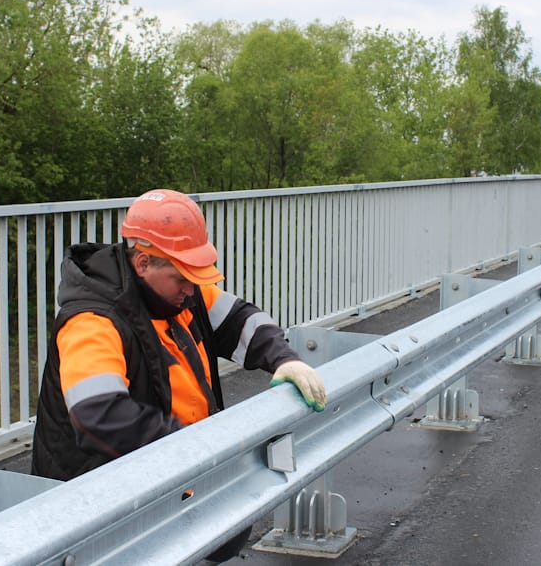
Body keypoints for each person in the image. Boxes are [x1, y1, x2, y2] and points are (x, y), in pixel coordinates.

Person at [31, 188, 327, 562]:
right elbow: (98, 413)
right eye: (181, 277)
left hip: (165, 486)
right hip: (102, 513)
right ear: (142, 264)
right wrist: (194, 451)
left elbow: (241, 321)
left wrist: (285, 359)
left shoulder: (181, 294)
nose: (191, 289)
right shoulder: (92, 321)